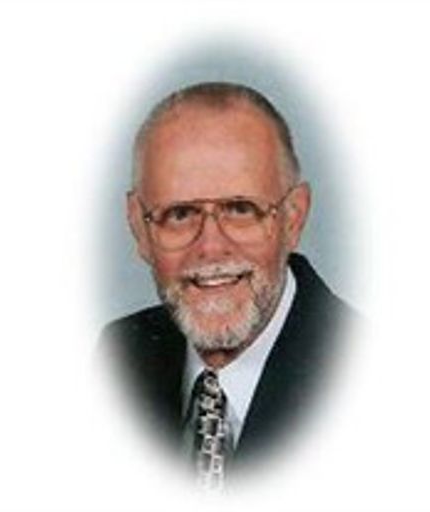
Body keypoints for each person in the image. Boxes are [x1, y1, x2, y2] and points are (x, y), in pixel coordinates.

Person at [102, 82, 354, 487]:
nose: (210, 248)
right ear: (139, 228)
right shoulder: (117, 359)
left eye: (240, 209)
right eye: (180, 214)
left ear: (293, 219)